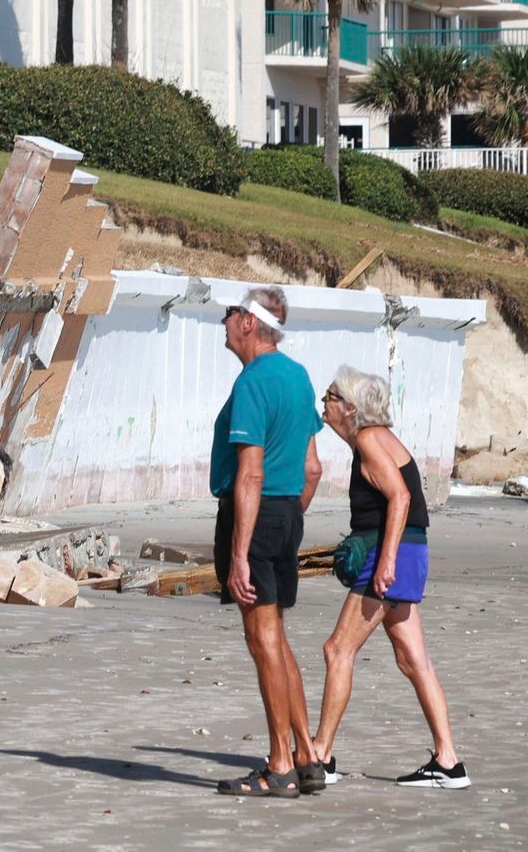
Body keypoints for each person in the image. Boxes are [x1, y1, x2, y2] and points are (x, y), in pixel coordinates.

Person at [308, 365, 470, 789]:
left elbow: (401, 497)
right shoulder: (376, 439)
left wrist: (385, 562)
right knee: (413, 660)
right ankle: (448, 762)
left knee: (336, 650)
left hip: (392, 554)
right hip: (409, 552)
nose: (323, 402)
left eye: (329, 395)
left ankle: (320, 756)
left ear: (350, 406)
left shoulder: (367, 440)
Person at [212, 287, 325, 798]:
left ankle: (279, 764)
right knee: (276, 637)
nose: (226, 321)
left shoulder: (254, 382)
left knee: (263, 642)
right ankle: (307, 755)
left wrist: (240, 553)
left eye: (232, 313)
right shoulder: (299, 378)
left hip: (256, 517)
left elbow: (250, 475)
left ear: (251, 324)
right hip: (286, 515)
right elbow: (312, 467)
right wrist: (287, 521)